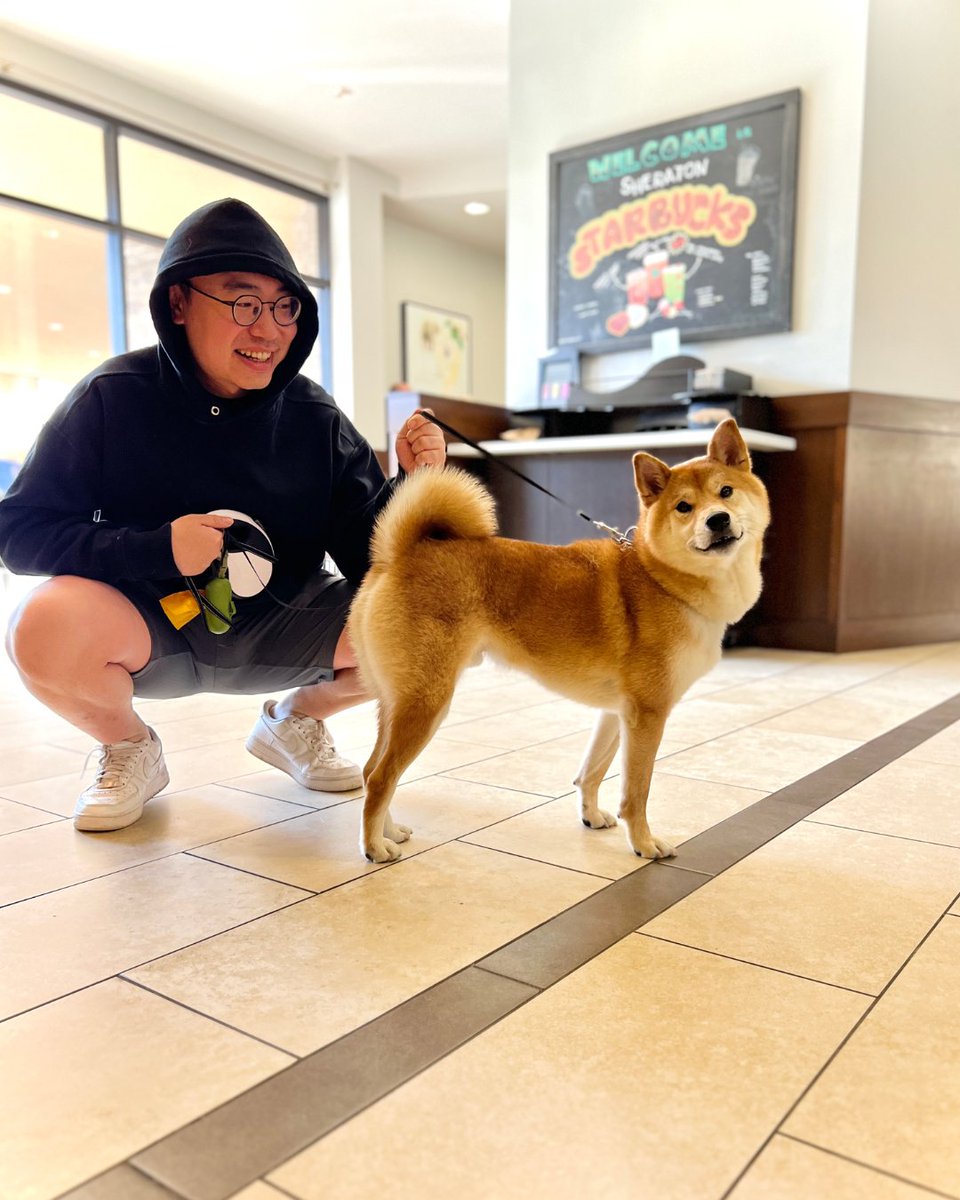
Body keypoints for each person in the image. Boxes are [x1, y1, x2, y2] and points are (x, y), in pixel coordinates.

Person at [0, 197, 445, 832]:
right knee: (40, 624)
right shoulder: (111, 398)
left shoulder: (314, 418)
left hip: (284, 622)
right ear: (178, 303)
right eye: (242, 302)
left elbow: (368, 557)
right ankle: (128, 747)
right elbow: (19, 532)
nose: (266, 329)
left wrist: (414, 488)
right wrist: (155, 549)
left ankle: (296, 721)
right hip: (150, 625)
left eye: (283, 307)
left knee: (429, 620)